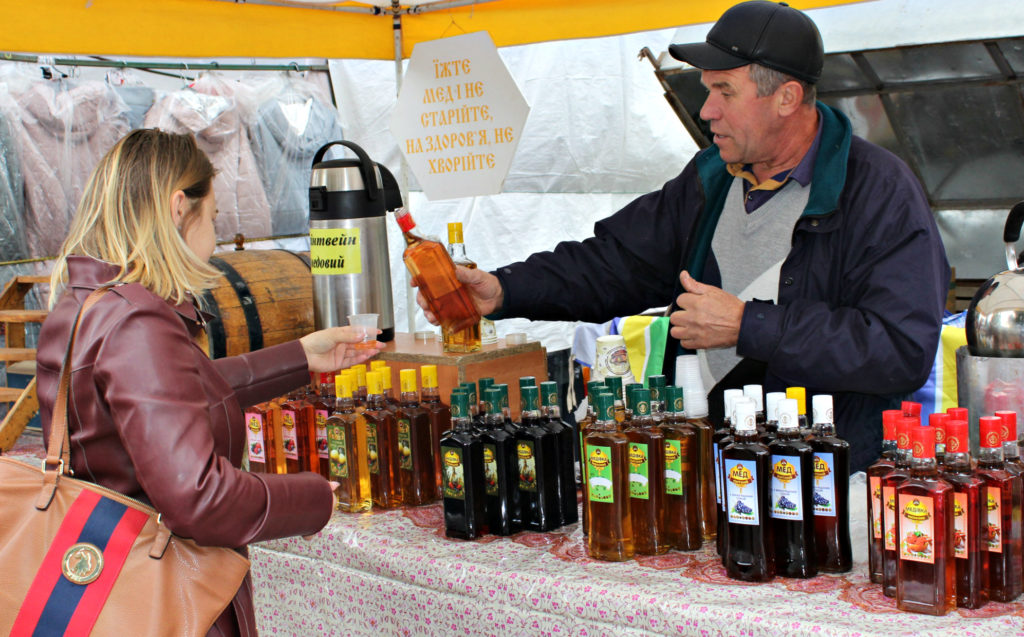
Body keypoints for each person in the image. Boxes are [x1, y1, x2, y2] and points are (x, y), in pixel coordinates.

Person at [418, 0, 950, 472]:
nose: (706, 110)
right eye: (706, 90)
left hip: (828, 478)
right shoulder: (710, 179)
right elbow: (612, 263)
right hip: (716, 462)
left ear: (786, 97)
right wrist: (506, 290)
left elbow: (899, 349)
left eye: (724, 90)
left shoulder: (877, 191)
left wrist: (750, 325)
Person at [35, 128, 384, 637]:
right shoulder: (138, 322)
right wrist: (315, 498)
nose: (216, 238)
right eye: (214, 217)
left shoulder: (85, 301)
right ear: (179, 208)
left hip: (104, 576)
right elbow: (197, 496)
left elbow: (166, 400)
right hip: (161, 595)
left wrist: (300, 357)